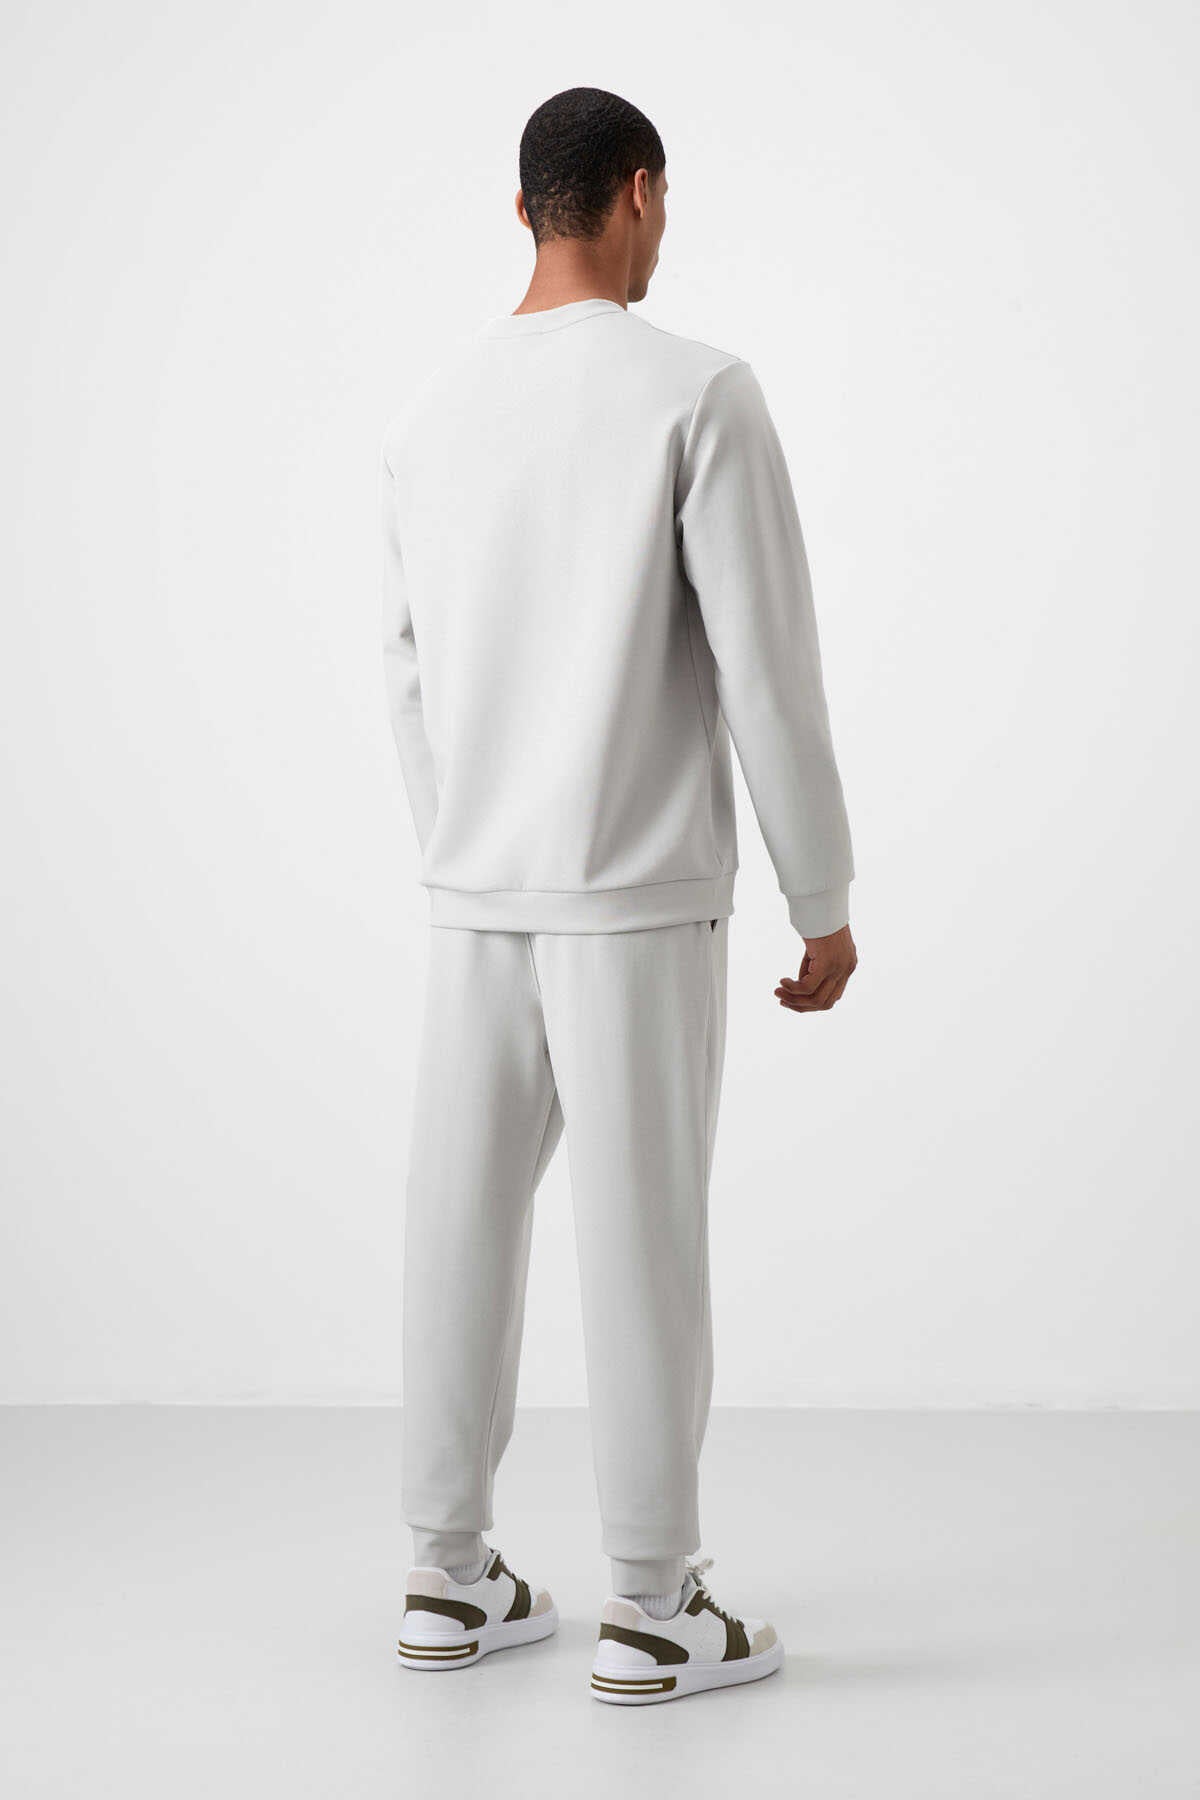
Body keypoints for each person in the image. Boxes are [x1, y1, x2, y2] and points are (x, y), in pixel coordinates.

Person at [382, 86, 856, 1704]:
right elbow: (768, 667)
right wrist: (821, 893)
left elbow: (407, 673)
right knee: (644, 1239)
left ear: (528, 207)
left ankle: (445, 1576)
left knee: (456, 1226)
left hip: (476, 894)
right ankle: (654, 1605)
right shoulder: (698, 391)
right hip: (638, 896)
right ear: (638, 193)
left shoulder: (432, 415)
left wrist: (467, 842)